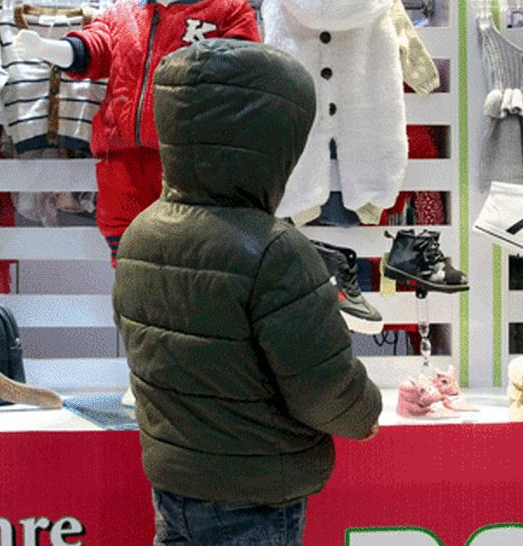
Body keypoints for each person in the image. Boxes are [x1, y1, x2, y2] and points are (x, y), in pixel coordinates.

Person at [113, 38, 383, 545]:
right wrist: (363, 413)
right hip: (254, 495)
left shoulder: (141, 233)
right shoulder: (272, 250)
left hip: (175, 482)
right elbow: (320, 383)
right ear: (271, 140)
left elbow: (146, 354)